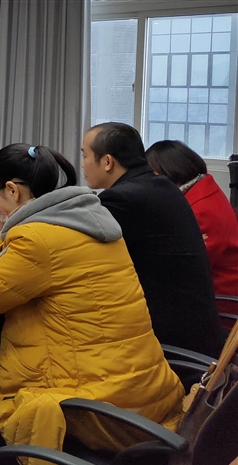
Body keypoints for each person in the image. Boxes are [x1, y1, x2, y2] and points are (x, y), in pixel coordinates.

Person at [0, 143, 184, 465]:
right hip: (147, 389)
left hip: (98, 407)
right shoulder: (96, 221)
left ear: (12, 190)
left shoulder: (35, 238)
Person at [81, 123, 223, 355]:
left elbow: (79, 255)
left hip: (170, 345)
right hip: (196, 333)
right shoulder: (161, 186)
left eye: (85, 156)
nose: (82, 164)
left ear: (107, 161)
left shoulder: (123, 199)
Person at [146, 140, 238, 330]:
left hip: (220, 308)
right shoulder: (203, 190)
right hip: (212, 297)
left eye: (150, 175)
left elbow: (186, 270)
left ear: (167, 171)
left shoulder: (201, 210)